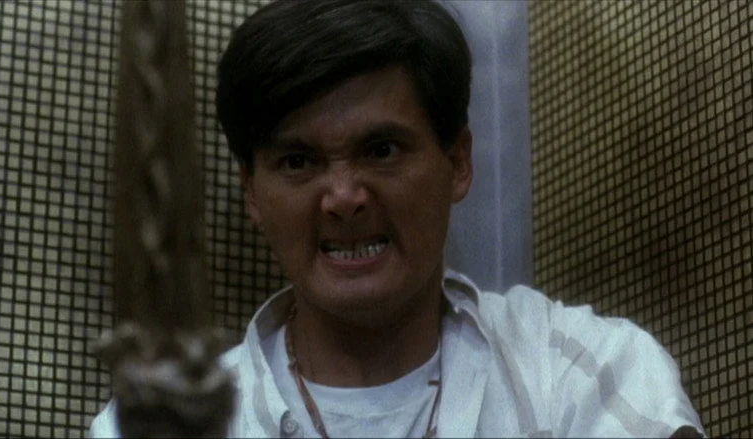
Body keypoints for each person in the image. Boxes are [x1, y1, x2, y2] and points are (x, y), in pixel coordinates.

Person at [91, 0, 704, 437]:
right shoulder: (158, 421)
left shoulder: (579, 372)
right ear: (252, 192)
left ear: (457, 163)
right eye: (299, 161)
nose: (343, 197)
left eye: (381, 150)